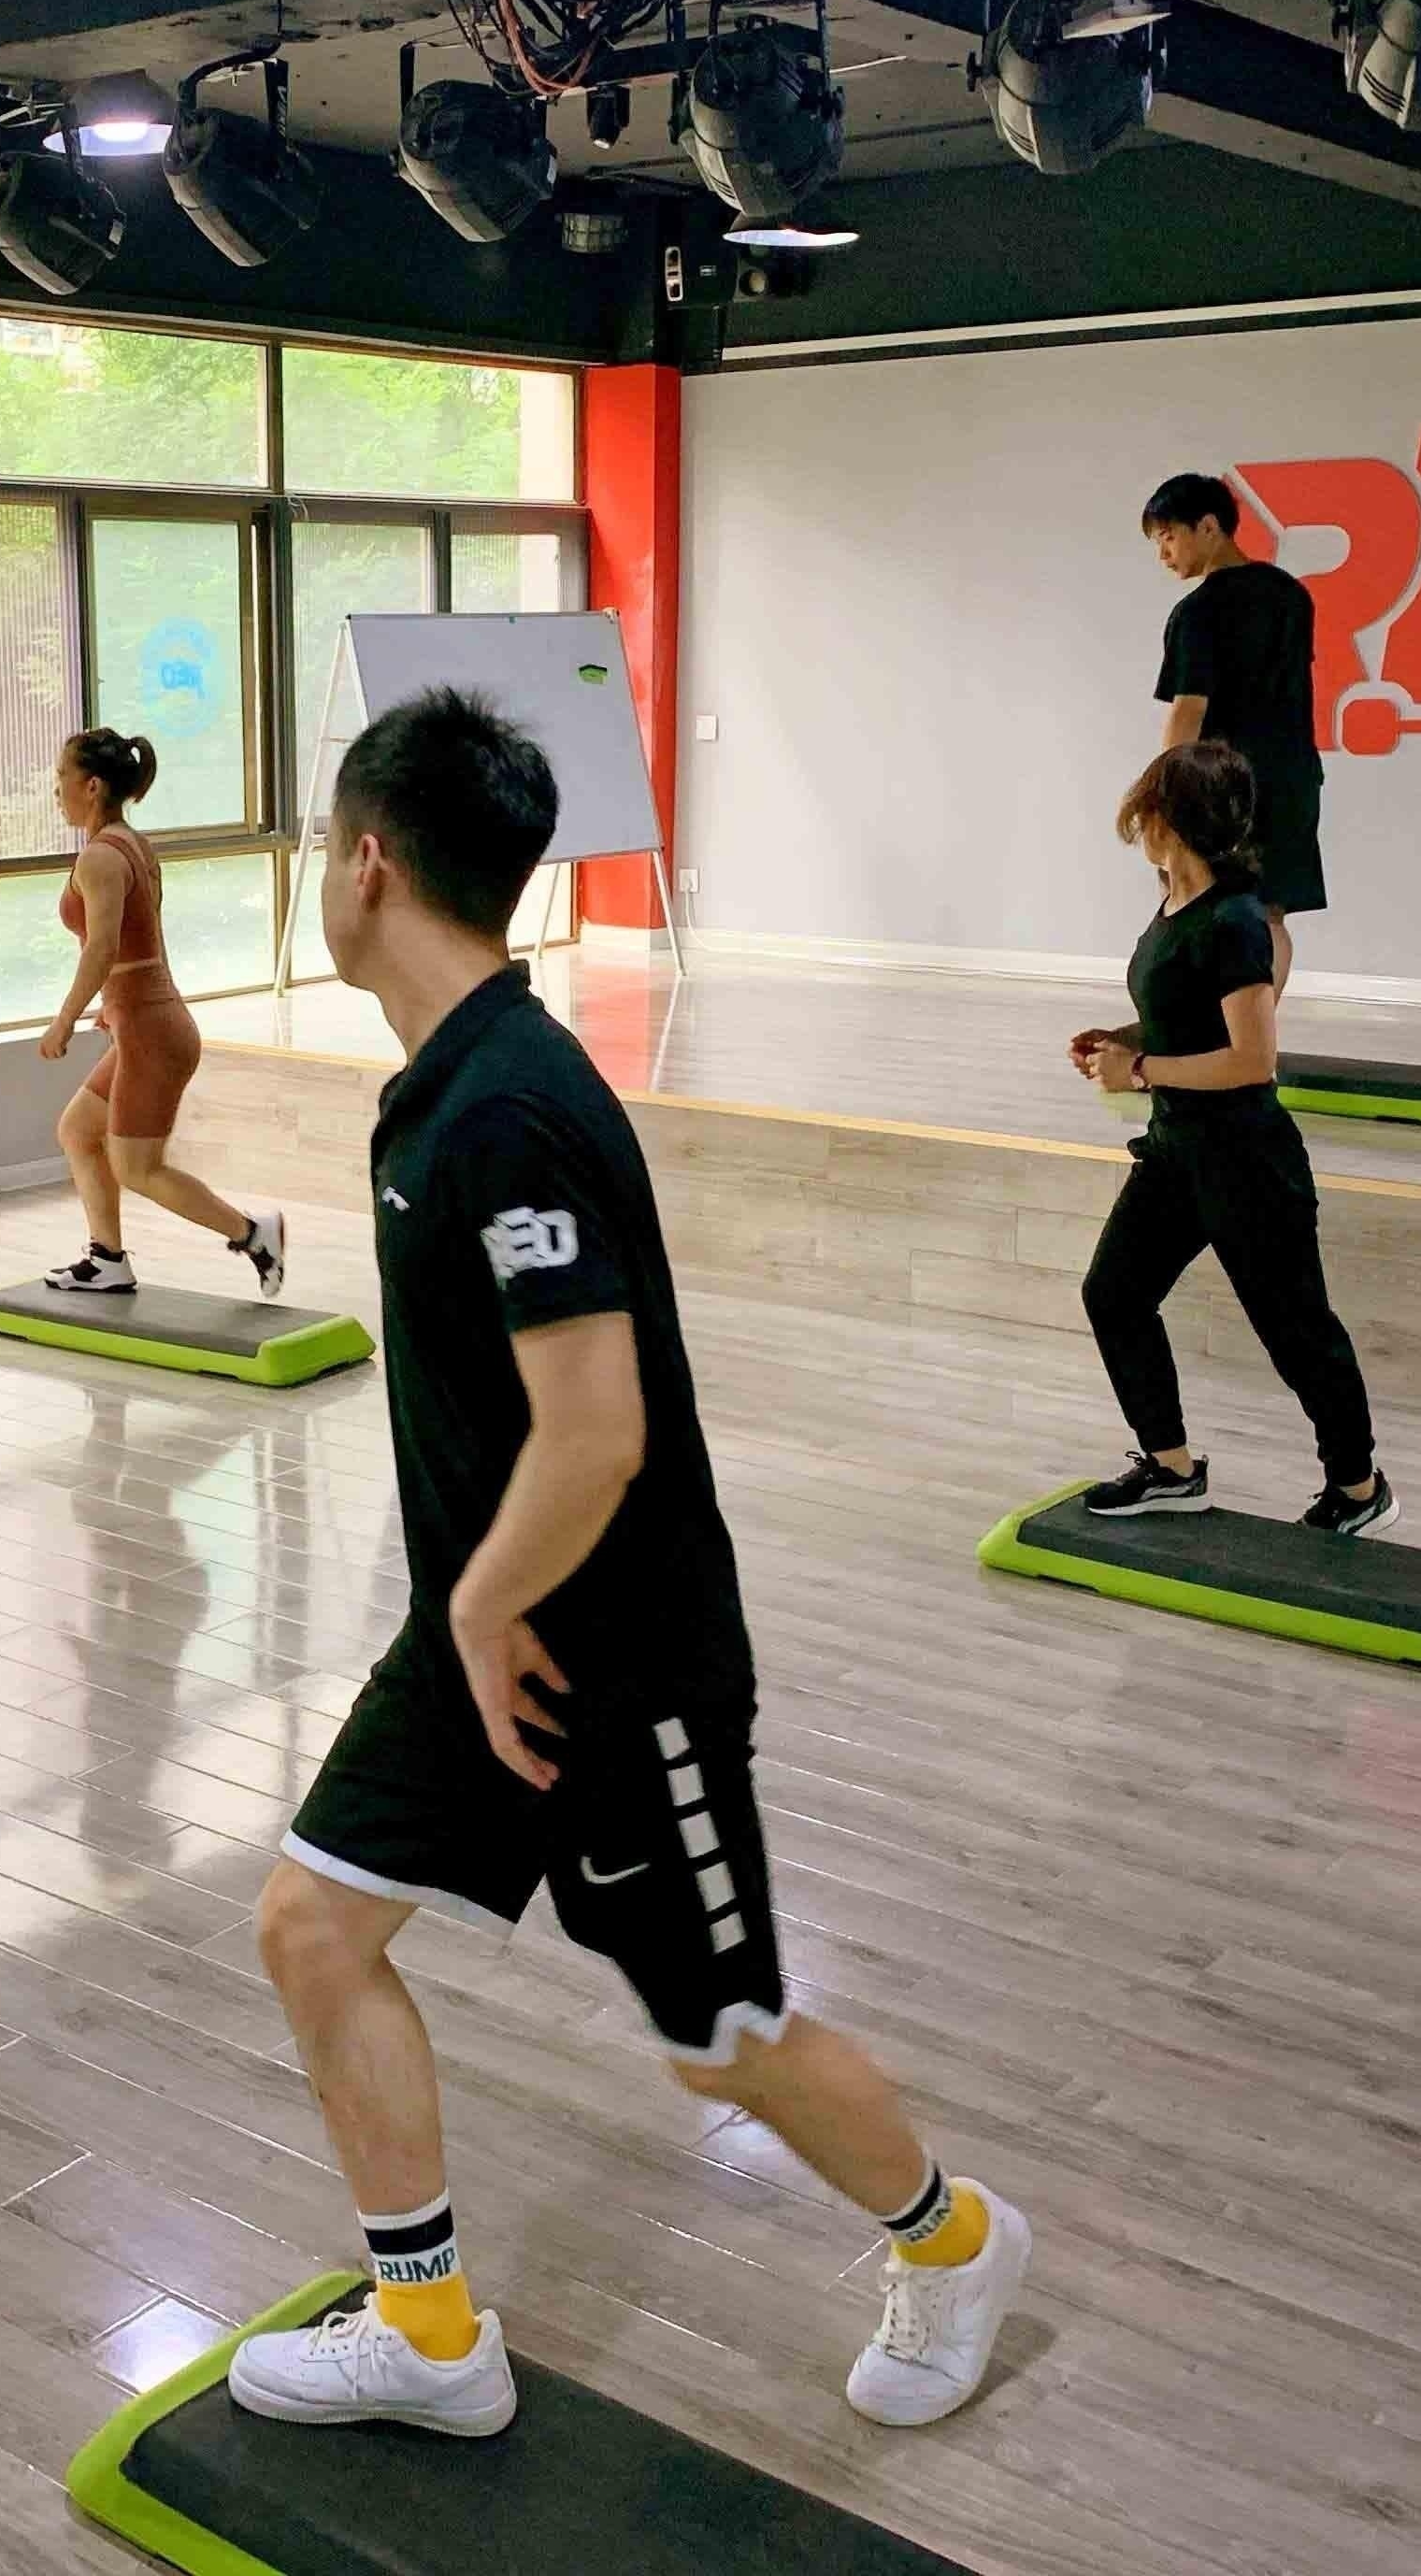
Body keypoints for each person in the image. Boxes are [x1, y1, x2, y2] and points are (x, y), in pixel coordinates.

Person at [231, 690, 1029, 2443]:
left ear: (367, 862)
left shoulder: (507, 1108)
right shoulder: (450, 1080)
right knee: (312, 1926)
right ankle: (428, 2329)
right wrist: (470, 1611)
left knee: (718, 2037)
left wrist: (478, 1597)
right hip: (489, 1633)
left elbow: (595, 1431)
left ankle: (957, 2239)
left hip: (616, 1662)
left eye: (318, 844)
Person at [1068, 741, 1394, 1538]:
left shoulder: (1236, 920)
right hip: (1177, 1153)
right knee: (1114, 1295)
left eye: (1146, 808)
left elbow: (1252, 1060)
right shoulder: (1173, 905)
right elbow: (1188, 1017)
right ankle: (1172, 1470)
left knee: (1297, 1334)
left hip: (1247, 1164)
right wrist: (1123, 1040)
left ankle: (1358, 1489)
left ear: (1168, 817)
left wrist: (1140, 1070)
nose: (1137, 825)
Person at [36, 725, 287, 1300]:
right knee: (79, 1131)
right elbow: (138, 943)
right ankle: (107, 1259)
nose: (56, 790)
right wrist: (114, 1009)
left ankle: (254, 1235)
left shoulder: (101, 857)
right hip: (148, 1024)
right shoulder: (130, 842)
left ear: (92, 786)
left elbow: (101, 949)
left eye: (62, 777)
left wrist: (65, 1020)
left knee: (137, 1167)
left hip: (153, 1032)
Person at [1142, 470, 1324, 994]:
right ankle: (1256, 1030)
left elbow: (1188, 713)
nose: (1163, 554)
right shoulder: (1292, 596)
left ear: (1208, 526)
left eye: (1168, 537)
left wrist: (1164, 795)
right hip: (1292, 778)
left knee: (1196, 905)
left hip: (1223, 788)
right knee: (1268, 915)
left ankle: (1208, 1034)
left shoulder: (1197, 612)